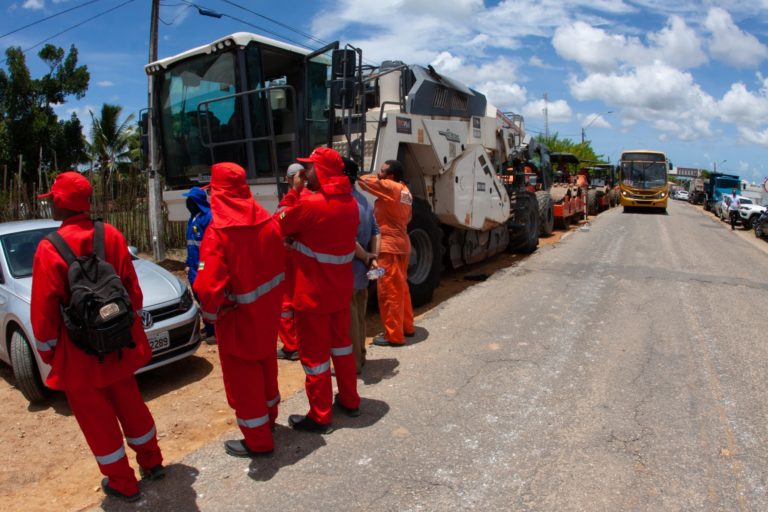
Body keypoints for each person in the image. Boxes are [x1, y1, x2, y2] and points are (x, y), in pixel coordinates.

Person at [31, 172, 163, 503]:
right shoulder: (112, 235)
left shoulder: (49, 249)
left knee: (98, 422)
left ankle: (123, 484)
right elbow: (134, 293)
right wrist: (121, 330)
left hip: (78, 356)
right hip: (118, 344)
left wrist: (50, 354)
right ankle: (153, 462)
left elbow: (44, 314)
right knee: (132, 406)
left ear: (59, 204)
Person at [193, 162, 285, 457]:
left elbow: (207, 289)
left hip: (237, 321)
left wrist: (210, 317)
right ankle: (269, 420)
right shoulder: (269, 221)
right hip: (267, 315)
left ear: (217, 193)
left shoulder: (217, 232)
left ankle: (258, 441)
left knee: (244, 382)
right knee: (266, 368)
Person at [277, 146, 360, 433]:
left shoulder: (310, 203)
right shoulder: (350, 202)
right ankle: (350, 400)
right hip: (339, 292)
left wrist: (294, 192)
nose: (304, 172)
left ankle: (321, 415)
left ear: (320, 171)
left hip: (311, 296)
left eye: (308, 167)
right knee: (343, 349)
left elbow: (280, 224)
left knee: (315, 360)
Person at [358, 160, 415, 347]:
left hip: (388, 248)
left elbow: (363, 181)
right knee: (401, 289)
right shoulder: (406, 191)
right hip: (402, 245)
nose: (378, 173)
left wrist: (359, 175)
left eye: (382, 171)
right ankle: (407, 327)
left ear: (390, 176)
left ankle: (394, 336)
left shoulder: (391, 187)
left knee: (389, 292)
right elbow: (408, 217)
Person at [343, 157, 380, 373]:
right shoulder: (364, 200)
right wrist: (373, 258)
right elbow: (376, 231)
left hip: (351, 268)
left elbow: (348, 237)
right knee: (360, 317)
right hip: (364, 271)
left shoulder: (346, 202)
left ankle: (354, 364)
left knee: (350, 323)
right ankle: (362, 356)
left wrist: (366, 256)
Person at [276, 163, 305, 361]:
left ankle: (291, 346)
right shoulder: (298, 200)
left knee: (285, 303)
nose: (304, 180)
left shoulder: (293, 201)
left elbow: (279, 222)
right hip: (297, 258)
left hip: (292, 257)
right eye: (301, 177)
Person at [183, 186, 214, 341]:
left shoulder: (208, 217)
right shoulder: (193, 218)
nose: (187, 202)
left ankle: (214, 330)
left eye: (190, 199)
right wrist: (187, 264)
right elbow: (191, 244)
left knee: (207, 297)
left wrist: (204, 265)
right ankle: (208, 327)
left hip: (204, 265)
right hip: (194, 266)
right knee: (199, 297)